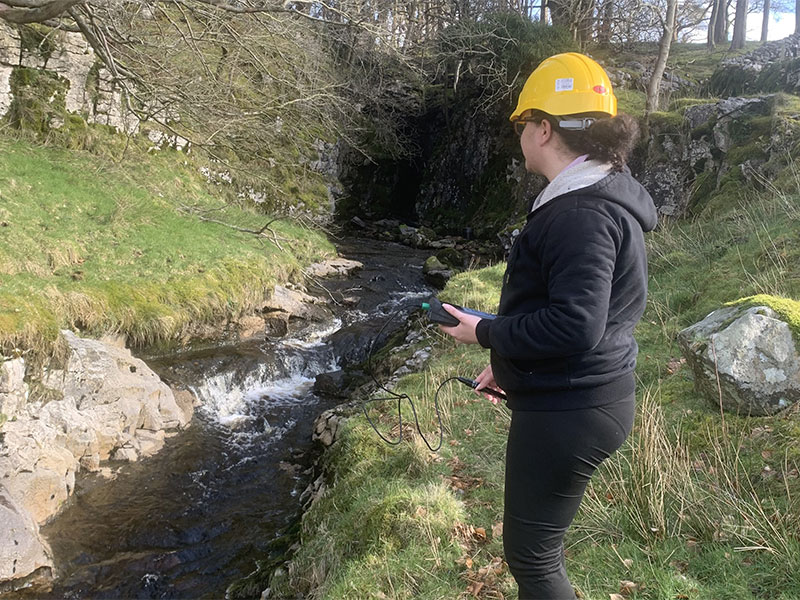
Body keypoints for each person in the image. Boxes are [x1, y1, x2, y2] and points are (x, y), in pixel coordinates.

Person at [438, 52, 658, 599]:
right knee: (537, 554)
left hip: (570, 409)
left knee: (532, 559)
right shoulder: (599, 193)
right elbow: (579, 311)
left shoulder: (581, 212)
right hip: (581, 396)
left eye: (521, 123)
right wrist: (508, 359)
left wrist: (486, 333)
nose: (518, 135)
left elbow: (576, 325)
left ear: (544, 128)